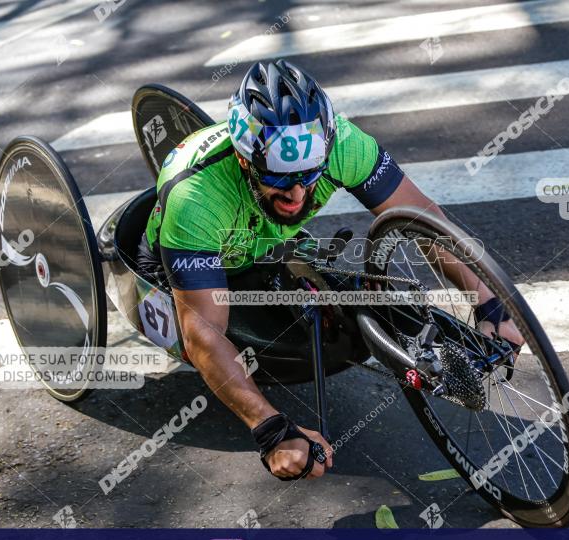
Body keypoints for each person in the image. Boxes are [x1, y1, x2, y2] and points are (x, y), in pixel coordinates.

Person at [136, 60, 524, 480]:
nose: (297, 194)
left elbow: (422, 220)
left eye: (309, 176)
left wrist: (488, 303)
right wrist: (269, 429)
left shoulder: (343, 143)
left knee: (347, 302)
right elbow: (203, 336)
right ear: (245, 160)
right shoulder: (196, 198)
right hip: (188, 261)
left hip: (267, 242)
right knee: (226, 335)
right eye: (279, 180)